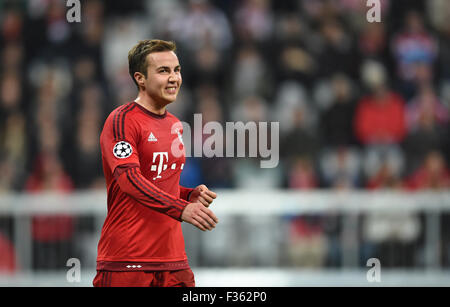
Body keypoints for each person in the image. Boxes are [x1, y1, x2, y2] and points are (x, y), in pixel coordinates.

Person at [93, 39, 219, 287]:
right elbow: (129, 180)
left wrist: (187, 195)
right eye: (164, 71)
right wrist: (180, 208)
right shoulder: (122, 120)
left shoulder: (174, 124)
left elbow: (159, 183)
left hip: (173, 261)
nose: (174, 78)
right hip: (127, 261)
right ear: (140, 78)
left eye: (177, 70)